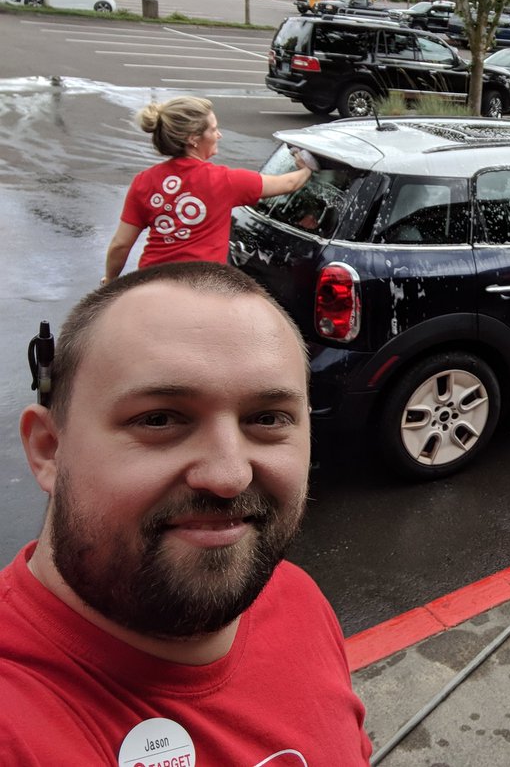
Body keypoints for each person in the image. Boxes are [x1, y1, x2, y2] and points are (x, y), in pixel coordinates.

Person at [1, 261, 372, 763]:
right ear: (49, 449)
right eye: (158, 419)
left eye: (267, 418)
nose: (228, 475)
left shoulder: (297, 598)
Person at [103, 96, 316, 285]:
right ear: (193, 139)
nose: (219, 135)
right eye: (213, 129)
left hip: (152, 284)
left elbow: (121, 245)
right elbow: (289, 184)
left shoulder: (144, 181)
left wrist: (110, 280)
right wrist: (307, 168)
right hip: (205, 286)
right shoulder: (224, 181)